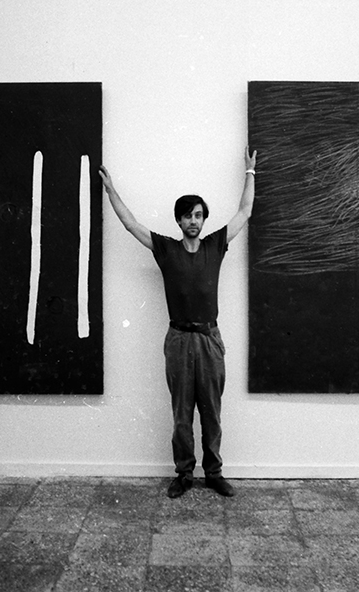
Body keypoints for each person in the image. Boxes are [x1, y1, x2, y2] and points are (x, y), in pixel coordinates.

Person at [97, 148, 257, 498]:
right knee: (182, 414)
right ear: (179, 221)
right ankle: (184, 474)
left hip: (209, 340)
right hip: (179, 340)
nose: (193, 221)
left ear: (204, 220)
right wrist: (111, 190)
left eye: (198, 215)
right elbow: (130, 223)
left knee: (211, 412)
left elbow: (244, 211)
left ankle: (213, 473)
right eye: (187, 216)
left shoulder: (215, 245)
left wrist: (250, 172)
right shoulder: (166, 249)